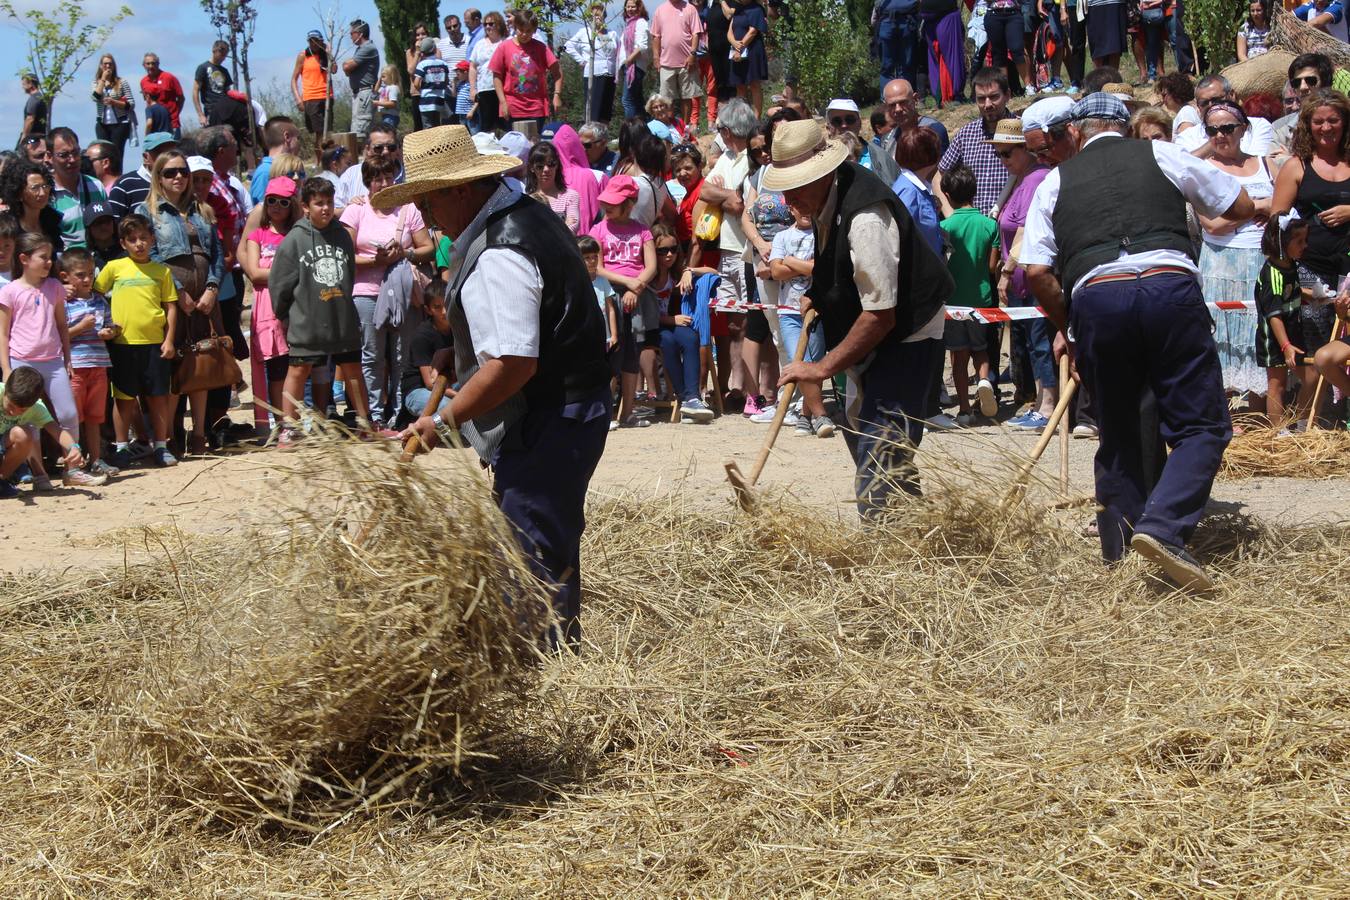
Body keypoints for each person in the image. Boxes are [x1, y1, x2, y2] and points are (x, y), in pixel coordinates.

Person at [384, 125, 612, 652]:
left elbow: (512, 363)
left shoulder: (499, 251)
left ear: (461, 189)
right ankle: (548, 650)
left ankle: (545, 667)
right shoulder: (523, 213)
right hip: (569, 405)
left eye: (427, 198)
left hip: (552, 416)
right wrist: (460, 351)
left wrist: (443, 420)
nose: (424, 213)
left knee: (532, 550)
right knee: (536, 539)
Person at [1021, 92, 1254, 592]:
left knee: (1121, 432)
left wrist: (1069, 327)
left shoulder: (1055, 181)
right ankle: (1164, 528)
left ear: (1078, 133)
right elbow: (1236, 203)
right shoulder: (1163, 154)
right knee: (1200, 426)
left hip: (1098, 298)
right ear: (1126, 128)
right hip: (1170, 288)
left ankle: (1122, 562)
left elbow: (1037, 270)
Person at [762, 118, 952, 518]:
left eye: (795, 185)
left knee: (882, 437)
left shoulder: (867, 216)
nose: (788, 199)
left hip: (908, 329)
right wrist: (817, 293)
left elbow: (882, 314)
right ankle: (914, 518)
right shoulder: (821, 198)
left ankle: (883, 543)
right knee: (860, 426)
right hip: (876, 324)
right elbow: (835, 261)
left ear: (822, 172)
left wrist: (821, 368)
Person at [134, 151, 225, 456]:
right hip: (168, 300)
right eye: (171, 172)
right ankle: (169, 434)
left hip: (204, 298)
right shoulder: (147, 212)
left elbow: (216, 255)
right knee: (172, 368)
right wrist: (176, 293)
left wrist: (212, 288)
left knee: (200, 364)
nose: (179, 178)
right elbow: (151, 255)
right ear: (158, 176)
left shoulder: (203, 210)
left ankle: (198, 435)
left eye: (183, 172)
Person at [270, 177, 374, 445]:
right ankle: (289, 428)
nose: (325, 209)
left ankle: (365, 423)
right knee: (298, 370)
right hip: (307, 318)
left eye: (329, 203)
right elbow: (280, 284)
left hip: (340, 316)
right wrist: (284, 315)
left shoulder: (341, 234)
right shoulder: (294, 240)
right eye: (319, 204)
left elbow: (348, 272)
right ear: (305, 206)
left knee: (352, 369)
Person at [339, 157, 435, 429]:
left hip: (403, 292)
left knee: (401, 355)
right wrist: (375, 261)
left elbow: (427, 246)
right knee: (372, 355)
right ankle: (372, 413)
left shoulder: (408, 209)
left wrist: (403, 253)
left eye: (388, 177)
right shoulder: (355, 210)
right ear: (367, 181)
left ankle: (399, 412)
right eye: (377, 179)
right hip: (366, 292)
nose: (383, 184)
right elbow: (345, 254)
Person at [1193, 102, 1272, 405]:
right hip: (1221, 259)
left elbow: (1280, 208)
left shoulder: (1266, 163)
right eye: (1212, 130)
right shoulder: (1203, 169)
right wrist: (1257, 206)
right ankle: (1224, 412)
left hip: (1260, 257)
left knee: (1257, 332)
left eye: (1227, 128)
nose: (1220, 136)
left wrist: (1263, 208)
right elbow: (1211, 225)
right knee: (1222, 335)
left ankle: (1258, 409)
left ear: (1243, 129)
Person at [94, 214, 179, 468]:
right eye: (132, 239)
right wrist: (104, 325)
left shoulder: (161, 271)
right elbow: (95, 295)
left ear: (152, 239)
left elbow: (171, 307)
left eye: (144, 238)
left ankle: (161, 447)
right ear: (123, 243)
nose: (139, 244)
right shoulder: (114, 268)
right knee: (124, 399)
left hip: (155, 344)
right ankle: (122, 448)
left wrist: (170, 340)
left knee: (158, 397)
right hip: (123, 346)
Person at [0, 233, 84, 489]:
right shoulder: (10, 291)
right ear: (24, 259)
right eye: (43, 257)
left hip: (53, 360)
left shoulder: (55, 287)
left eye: (51, 257)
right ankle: (39, 476)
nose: (50, 263)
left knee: (68, 413)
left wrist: (67, 358)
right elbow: (3, 333)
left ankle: (73, 469)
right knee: (27, 421)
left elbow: (61, 325)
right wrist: (6, 368)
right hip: (21, 361)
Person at [990, 118, 1056, 431]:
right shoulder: (1020, 178)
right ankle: (1040, 402)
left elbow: (1026, 230)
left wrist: (1006, 271)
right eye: (999, 154)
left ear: (1024, 150)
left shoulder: (1035, 180)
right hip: (1022, 282)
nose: (1002, 160)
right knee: (1032, 343)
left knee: (1040, 342)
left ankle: (1048, 405)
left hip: (1029, 278)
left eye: (1007, 154)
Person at [588, 173, 656, 428]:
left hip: (635, 296)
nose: (607, 207)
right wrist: (629, 283)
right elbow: (598, 267)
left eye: (614, 203)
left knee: (632, 353)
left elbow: (650, 266)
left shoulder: (642, 231)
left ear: (630, 203)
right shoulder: (599, 229)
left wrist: (635, 289)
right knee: (610, 352)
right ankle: (605, 413)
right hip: (608, 295)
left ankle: (628, 411)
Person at [1270, 90, 1350, 299]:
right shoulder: (1296, 166)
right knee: (1314, 329)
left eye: (1333, 120)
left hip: (1348, 266)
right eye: (1318, 121)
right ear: (1307, 125)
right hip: (1309, 268)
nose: (1326, 128)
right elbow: (1277, 223)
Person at [938, 165, 1000, 426]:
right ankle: (984, 380)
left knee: (958, 357)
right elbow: (991, 266)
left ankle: (964, 409)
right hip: (982, 300)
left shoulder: (944, 227)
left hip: (953, 303)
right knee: (981, 349)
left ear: (948, 195)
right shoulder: (989, 225)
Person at [239, 176, 297, 443]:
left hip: (292, 308)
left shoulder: (296, 234)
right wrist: (286, 272)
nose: (275, 206)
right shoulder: (257, 235)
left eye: (282, 202)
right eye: (270, 200)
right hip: (264, 308)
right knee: (270, 365)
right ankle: (269, 422)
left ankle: (288, 423)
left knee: (288, 367)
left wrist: (272, 272)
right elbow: (253, 273)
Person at [768, 205, 834, 437]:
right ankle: (821, 414)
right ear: (791, 209)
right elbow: (775, 272)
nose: (805, 211)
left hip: (817, 310)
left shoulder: (823, 233)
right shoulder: (782, 236)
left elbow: (821, 269)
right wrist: (803, 267)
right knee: (801, 360)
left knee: (813, 363)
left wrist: (789, 260)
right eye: (798, 207)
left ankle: (805, 417)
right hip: (789, 311)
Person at [57, 247, 120, 479]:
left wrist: (110, 332)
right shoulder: (63, 303)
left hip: (99, 365)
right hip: (75, 366)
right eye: (80, 275)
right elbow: (57, 335)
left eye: (90, 275)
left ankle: (95, 460)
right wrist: (81, 328)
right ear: (65, 276)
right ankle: (72, 465)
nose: (87, 280)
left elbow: (113, 325)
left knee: (95, 417)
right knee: (73, 418)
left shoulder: (99, 300)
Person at [1254, 215, 1315, 431]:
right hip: (1275, 338)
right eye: (1299, 241)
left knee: (1312, 376)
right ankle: (1279, 431)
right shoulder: (1272, 274)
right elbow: (1274, 314)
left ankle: (1300, 424)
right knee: (1277, 383)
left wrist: (1313, 296)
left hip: (1292, 334)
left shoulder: (1290, 265)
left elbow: (1292, 293)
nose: (1304, 246)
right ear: (1282, 241)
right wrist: (1286, 346)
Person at [0, 366, 89, 498]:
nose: (14, 413)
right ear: (6, 390)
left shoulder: (37, 408)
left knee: (24, 434)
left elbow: (57, 431)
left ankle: (1, 481)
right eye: (11, 405)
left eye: (22, 410)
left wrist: (73, 447)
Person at [934, 67, 1012, 216]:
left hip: (1011, 226)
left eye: (994, 96)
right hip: (974, 229)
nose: (987, 104)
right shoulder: (966, 134)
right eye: (981, 99)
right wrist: (952, 216)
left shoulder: (1021, 130)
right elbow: (939, 176)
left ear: (1007, 95)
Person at [490, 8, 563, 133]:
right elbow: (496, 77)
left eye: (528, 31)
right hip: (512, 107)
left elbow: (558, 73)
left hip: (536, 107)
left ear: (534, 30)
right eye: (521, 30)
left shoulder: (541, 48)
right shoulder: (504, 47)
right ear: (515, 27)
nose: (524, 34)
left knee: (534, 145)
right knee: (515, 146)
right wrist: (503, 102)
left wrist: (557, 95)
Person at [870, 78, 950, 187]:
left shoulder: (933, 131)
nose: (898, 109)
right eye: (892, 105)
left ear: (915, 99)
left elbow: (942, 173)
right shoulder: (888, 139)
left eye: (903, 102)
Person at [1176, 75, 1275, 157]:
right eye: (1204, 103)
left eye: (1217, 100)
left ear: (1232, 95)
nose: (1211, 106)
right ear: (1198, 107)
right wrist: (1215, 140)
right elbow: (1184, 167)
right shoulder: (1187, 137)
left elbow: (1258, 162)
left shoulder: (1258, 126)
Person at [400, 280, 453, 420]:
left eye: (447, 304)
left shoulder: (458, 329)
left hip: (449, 384)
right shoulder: (422, 336)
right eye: (437, 307)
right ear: (428, 310)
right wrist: (461, 397)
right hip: (418, 391)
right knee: (450, 408)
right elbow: (430, 383)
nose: (444, 311)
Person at [48, 127, 107, 250]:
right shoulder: (47, 193)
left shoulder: (95, 185)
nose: (72, 160)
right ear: (49, 157)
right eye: (64, 155)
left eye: (75, 153)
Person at [650, 0, 705, 125]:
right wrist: (655, 57)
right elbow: (656, 36)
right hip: (665, 63)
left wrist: (692, 54)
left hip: (687, 62)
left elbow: (696, 34)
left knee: (687, 97)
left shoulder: (690, 9)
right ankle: (670, 128)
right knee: (666, 100)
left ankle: (685, 129)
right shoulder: (660, 10)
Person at [566, 2, 620, 123]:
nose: (597, 17)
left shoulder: (612, 34)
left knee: (606, 111)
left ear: (604, 16)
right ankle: (592, 136)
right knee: (593, 110)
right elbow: (568, 45)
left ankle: (603, 136)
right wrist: (581, 60)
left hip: (610, 75)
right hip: (593, 74)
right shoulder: (584, 32)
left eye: (599, 14)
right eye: (594, 15)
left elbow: (618, 53)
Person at [1270, 53, 1334, 153]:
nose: (1303, 87)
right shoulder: (1280, 128)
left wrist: (1292, 158)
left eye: (1310, 80)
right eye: (1297, 83)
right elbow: (1274, 163)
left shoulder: (1344, 122)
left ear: (1325, 83)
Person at [107, 131, 177, 218]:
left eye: (172, 153)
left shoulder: (181, 182)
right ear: (145, 157)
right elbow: (114, 223)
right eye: (160, 153)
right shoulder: (125, 185)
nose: (167, 158)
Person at [1, 160, 63, 251]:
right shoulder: (8, 226)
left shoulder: (53, 220)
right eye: (35, 188)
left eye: (45, 186)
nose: (42, 193)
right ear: (19, 193)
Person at [335, 125, 402, 210]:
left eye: (391, 147)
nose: (385, 152)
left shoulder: (410, 176)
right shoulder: (351, 175)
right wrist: (351, 209)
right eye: (378, 148)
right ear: (368, 149)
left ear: (398, 148)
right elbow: (335, 210)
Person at [91, 54, 135, 172]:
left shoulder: (122, 82)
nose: (108, 66)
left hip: (120, 124)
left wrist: (114, 102)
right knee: (104, 154)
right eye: (105, 64)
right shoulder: (96, 83)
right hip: (103, 124)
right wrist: (103, 79)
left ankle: (117, 178)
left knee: (116, 154)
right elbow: (95, 97)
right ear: (101, 66)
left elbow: (131, 104)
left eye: (110, 64)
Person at [526, 142, 581, 233]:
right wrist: (563, 225)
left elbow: (573, 228)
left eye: (551, 164)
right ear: (532, 168)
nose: (546, 169)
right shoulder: (526, 200)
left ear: (557, 165)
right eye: (540, 166)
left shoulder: (571, 196)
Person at [467, 11, 507, 133]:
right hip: (484, 89)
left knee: (505, 124)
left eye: (491, 23)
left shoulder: (505, 42)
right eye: (485, 24)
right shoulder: (479, 45)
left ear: (499, 24)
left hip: (503, 89)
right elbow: (473, 67)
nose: (488, 26)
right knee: (487, 127)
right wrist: (473, 88)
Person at [728, 0, 769, 117]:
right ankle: (742, 118)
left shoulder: (757, 9)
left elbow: (753, 31)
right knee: (739, 85)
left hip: (752, 51)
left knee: (754, 84)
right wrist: (733, 43)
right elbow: (729, 31)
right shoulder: (738, 9)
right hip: (736, 51)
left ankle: (756, 118)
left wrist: (738, 49)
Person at [873, 0, 922, 95]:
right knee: (888, 66)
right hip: (888, 19)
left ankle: (905, 97)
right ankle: (887, 99)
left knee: (907, 64)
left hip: (906, 20)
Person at [922, 0, 966, 105]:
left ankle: (942, 96)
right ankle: (954, 95)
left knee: (936, 57)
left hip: (930, 12)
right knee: (951, 56)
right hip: (944, 10)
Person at [249, 116, 301, 205]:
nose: (299, 142)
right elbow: (260, 212)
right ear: (287, 137)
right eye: (297, 138)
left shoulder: (292, 168)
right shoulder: (265, 172)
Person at [293, 31, 335, 141]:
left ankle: (326, 157)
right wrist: (298, 99)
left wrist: (329, 53)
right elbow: (293, 79)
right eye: (310, 41)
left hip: (327, 96)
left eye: (316, 41)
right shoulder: (303, 56)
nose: (313, 43)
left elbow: (334, 69)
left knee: (327, 132)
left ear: (321, 41)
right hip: (311, 98)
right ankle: (320, 158)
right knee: (319, 134)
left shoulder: (325, 54)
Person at [344, 19, 380, 140]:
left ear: (360, 33)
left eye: (352, 33)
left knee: (360, 133)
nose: (350, 36)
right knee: (356, 130)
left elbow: (347, 67)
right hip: (359, 94)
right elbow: (347, 70)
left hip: (364, 94)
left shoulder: (368, 48)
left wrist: (347, 65)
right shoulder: (360, 49)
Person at [985, 0, 1031, 96]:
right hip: (993, 14)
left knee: (1017, 49)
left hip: (1013, 14)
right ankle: (1005, 90)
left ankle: (1029, 87)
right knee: (999, 54)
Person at [619, 0, 652, 120]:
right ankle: (643, 130)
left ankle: (631, 132)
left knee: (627, 100)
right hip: (630, 66)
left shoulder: (641, 22)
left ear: (639, 8)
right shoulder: (629, 25)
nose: (630, 9)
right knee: (637, 101)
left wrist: (629, 60)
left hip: (634, 66)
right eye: (628, 6)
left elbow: (642, 46)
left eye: (633, 6)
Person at [140, 53, 184, 139]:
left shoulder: (169, 77)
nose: (151, 66)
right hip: (155, 127)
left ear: (158, 64)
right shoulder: (143, 81)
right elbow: (147, 102)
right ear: (143, 65)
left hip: (172, 124)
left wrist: (175, 114)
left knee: (173, 151)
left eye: (153, 63)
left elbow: (181, 98)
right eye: (148, 63)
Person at [414, 37, 453, 129]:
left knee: (428, 127)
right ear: (435, 49)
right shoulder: (443, 64)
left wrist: (423, 88)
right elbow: (446, 80)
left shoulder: (422, 65)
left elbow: (416, 83)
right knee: (437, 126)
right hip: (439, 99)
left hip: (426, 101)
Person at [193, 40, 233, 126]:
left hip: (224, 109)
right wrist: (200, 115)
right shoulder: (203, 68)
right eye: (221, 54)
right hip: (210, 109)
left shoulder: (224, 71)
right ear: (214, 51)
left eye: (225, 55)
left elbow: (228, 91)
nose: (223, 58)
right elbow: (195, 91)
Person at [1085, 0, 1127, 68]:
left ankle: (1113, 77)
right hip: (1095, 5)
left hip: (1115, 3)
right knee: (1098, 49)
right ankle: (1099, 77)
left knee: (1115, 47)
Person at [20, 74, 48, 147]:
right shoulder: (40, 97)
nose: (22, 87)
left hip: (33, 138)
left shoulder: (34, 99)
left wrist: (24, 137)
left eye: (24, 84)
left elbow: (30, 119)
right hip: (40, 137)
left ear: (30, 84)